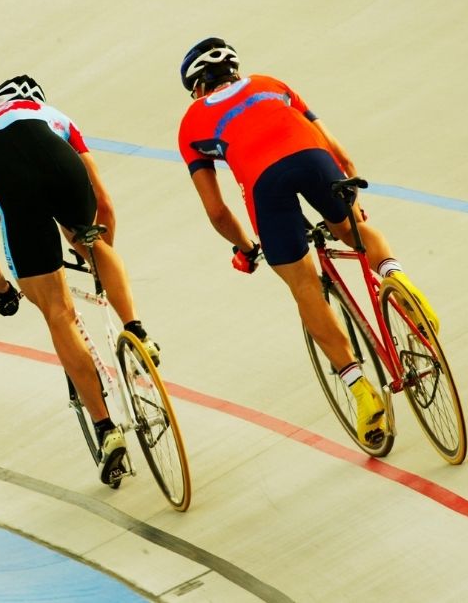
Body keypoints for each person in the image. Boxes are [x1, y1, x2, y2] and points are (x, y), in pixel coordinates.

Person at [177, 37, 439, 447]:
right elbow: (340, 153)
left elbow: (216, 211)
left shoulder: (192, 121)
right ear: (235, 69)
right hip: (313, 157)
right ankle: (396, 277)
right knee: (354, 232)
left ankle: (359, 388)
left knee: (303, 284)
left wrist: (246, 249)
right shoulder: (270, 82)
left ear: (196, 87)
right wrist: (353, 210)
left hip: (266, 184)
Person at [0, 74, 159, 482]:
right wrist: (95, 254)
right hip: (62, 168)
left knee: (58, 314)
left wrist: (3, 290)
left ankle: (106, 430)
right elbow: (103, 200)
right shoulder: (55, 116)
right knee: (93, 242)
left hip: (17, 189)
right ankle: (138, 331)